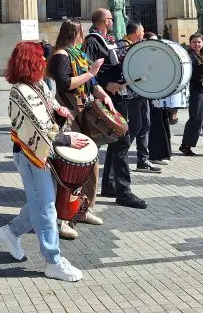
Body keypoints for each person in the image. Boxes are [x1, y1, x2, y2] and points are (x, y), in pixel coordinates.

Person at [0, 41, 86, 282]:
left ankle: (11, 232)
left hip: (42, 153)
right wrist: (66, 138)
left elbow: (51, 108)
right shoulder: (19, 91)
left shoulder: (39, 85)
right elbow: (38, 124)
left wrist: (62, 112)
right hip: (29, 155)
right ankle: (52, 261)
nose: (45, 61)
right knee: (46, 207)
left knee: (41, 203)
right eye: (40, 58)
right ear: (30, 62)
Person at [48, 18, 116, 240]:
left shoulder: (79, 54)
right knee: (70, 167)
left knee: (91, 162)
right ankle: (64, 218)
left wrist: (104, 96)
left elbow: (91, 84)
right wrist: (91, 72)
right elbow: (65, 83)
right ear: (73, 33)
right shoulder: (61, 55)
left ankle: (83, 209)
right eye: (81, 31)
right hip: (68, 115)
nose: (83, 34)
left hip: (83, 112)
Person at [83, 9, 147, 211]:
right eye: (110, 19)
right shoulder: (93, 41)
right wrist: (106, 83)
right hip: (107, 99)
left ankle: (110, 185)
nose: (113, 21)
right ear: (105, 21)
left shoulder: (106, 39)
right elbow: (88, 70)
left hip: (116, 96)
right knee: (121, 143)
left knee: (117, 142)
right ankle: (124, 192)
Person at [116, 22, 160, 174]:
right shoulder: (123, 45)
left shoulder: (135, 45)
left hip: (141, 92)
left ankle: (143, 160)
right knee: (135, 126)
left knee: (145, 125)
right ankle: (120, 156)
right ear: (135, 32)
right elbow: (129, 66)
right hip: (131, 94)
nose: (143, 34)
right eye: (141, 31)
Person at [145, 32, 187, 165]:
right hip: (151, 97)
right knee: (155, 125)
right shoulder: (143, 57)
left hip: (161, 96)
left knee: (163, 123)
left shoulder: (158, 57)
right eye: (152, 41)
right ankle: (155, 155)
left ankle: (165, 152)